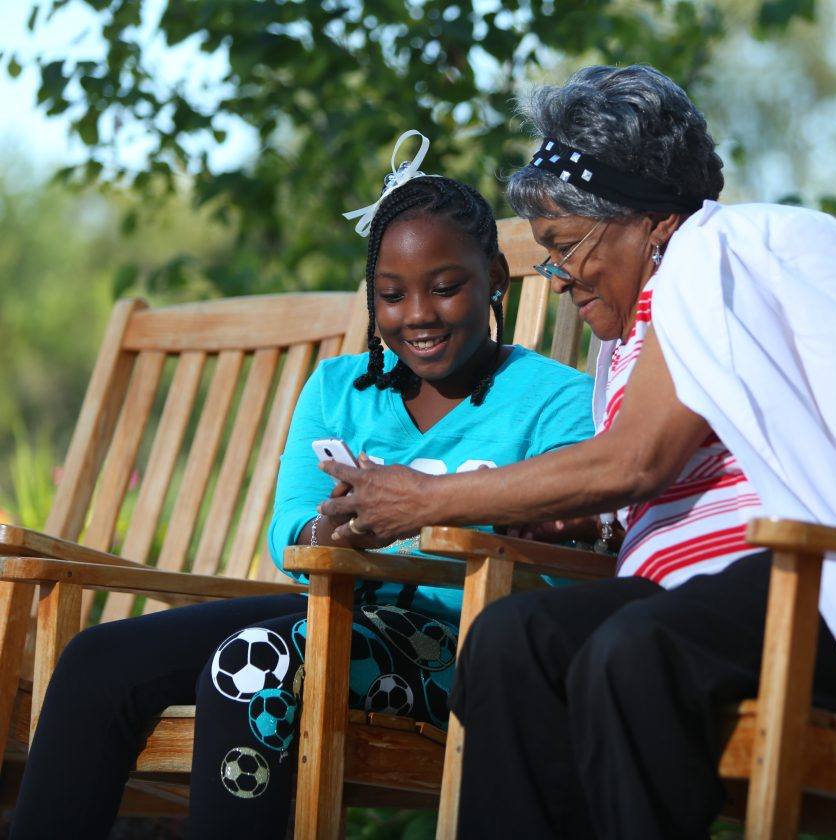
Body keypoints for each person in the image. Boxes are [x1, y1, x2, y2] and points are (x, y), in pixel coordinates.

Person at [318, 66, 836, 838]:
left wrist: (423, 500)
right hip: (713, 603)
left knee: (632, 651)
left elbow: (637, 460)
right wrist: (593, 529)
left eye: (564, 248)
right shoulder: (636, 331)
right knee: (513, 640)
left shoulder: (727, 251)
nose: (556, 278)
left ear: (646, 219)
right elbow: (674, 476)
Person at [9, 140, 594, 839]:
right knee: (96, 660)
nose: (418, 314)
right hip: (329, 611)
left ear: (494, 276)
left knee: (252, 662)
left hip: (463, 648)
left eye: (446, 286)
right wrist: (334, 530)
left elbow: (570, 566)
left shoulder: (558, 402)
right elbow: (289, 532)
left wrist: (440, 516)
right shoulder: (337, 389)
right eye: (391, 294)